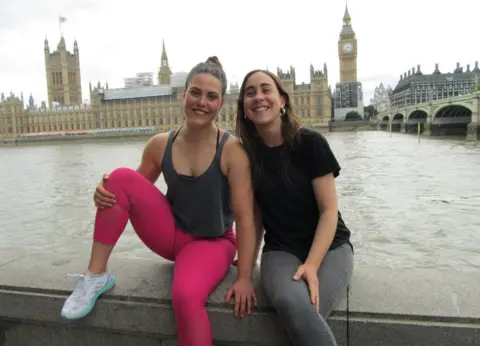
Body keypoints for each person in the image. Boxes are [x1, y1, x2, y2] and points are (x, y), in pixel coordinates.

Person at [60, 57, 258, 346]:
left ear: (221, 104)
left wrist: (245, 277)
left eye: (211, 96)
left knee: (186, 296)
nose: (201, 102)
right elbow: (129, 195)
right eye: (195, 92)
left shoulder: (232, 151)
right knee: (117, 178)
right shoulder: (159, 144)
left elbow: (245, 218)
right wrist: (103, 192)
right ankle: (95, 276)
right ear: (183, 94)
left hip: (213, 242)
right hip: (171, 235)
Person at [231, 69, 354, 346]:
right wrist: (246, 272)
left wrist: (311, 264)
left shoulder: (310, 143)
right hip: (280, 249)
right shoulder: (245, 155)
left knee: (306, 312)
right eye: (250, 93)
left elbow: (329, 211)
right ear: (244, 110)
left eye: (266, 90)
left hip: (330, 246)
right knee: (290, 300)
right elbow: (253, 218)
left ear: (283, 101)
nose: (258, 97)